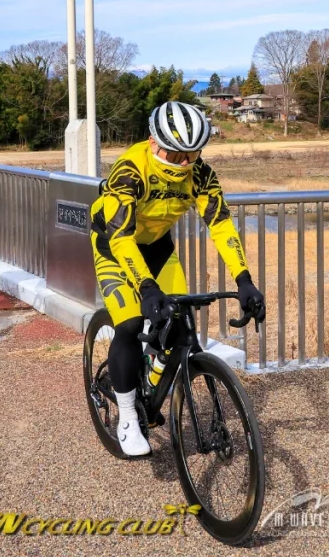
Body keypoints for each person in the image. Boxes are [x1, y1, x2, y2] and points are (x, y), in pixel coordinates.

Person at [89, 101, 266, 457]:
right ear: (154, 142)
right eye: (176, 154)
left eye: (192, 154)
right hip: (113, 244)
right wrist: (147, 287)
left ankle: (153, 375)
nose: (185, 163)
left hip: (157, 246)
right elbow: (121, 236)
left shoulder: (199, 174)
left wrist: (244, 278)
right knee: (129, 323)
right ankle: (126, 416)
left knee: (179, 321)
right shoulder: (131, 170)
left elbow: (220, 224)